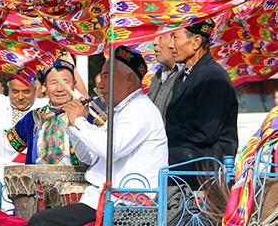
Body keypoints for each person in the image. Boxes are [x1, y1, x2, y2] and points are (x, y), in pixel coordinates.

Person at [27, 46, 168, 226]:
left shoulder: (140, 110)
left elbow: (111, 150)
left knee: (41, 221)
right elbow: (89, 157)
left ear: (129, 79)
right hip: (101, 200)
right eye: (102, 77)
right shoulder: (120, 111)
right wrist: (73, 126)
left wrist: (80, 122)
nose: (100, 85)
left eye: (107, 77)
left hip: (124, 205)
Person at [166, 19, 238, 178]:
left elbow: (204, 132)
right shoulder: (183, 76)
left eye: (175, 38)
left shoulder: (213, 76)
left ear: (196, 42)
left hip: (208, 161)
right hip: (185, 153)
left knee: (153, 161)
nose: (170, 45)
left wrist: (161, 135)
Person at [148, 33, 184, 123]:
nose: (155, 42)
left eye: (160, 37)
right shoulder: (158, 75)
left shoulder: (187, 76)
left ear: (174, 40)